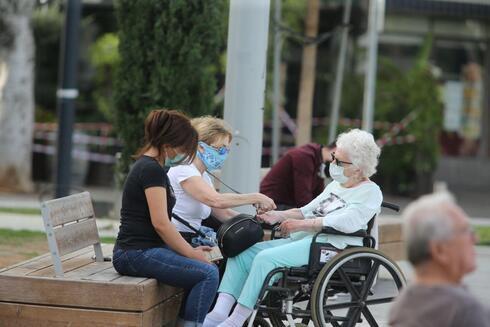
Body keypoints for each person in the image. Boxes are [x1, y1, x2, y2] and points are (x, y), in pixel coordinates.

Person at [203, 129, 383, 327]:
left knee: (266, 259)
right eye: (333, 157)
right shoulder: (336, 185)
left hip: (334, 247)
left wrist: (302, 225)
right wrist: (276, 216)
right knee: (243, 254)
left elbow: (346, 222)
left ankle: (235, 320)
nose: (332, 164)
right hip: (308, 240)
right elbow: (306, 210)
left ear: (358, 169)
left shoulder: (370, 192)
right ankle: (219, 313)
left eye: (339, 161)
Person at [112, 109, 219, 327]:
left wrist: (192, 252)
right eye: (184, 149)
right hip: (135, 253)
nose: (185, 155)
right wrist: (190, 253)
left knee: (206, 263)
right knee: (208, 274)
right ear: (168, 145)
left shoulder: (154, 167)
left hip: (144, 249)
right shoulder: (151, 170)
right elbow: (161, 223)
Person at [168, 116, 276, 243]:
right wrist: (256, 197)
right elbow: (216, 200)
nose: (224, 155)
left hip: (190, 239)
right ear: (200, 147)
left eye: (227, 150)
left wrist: (259, 219)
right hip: (176, 240)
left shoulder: (203, 176)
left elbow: (224, 214)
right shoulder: (184, 169)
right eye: (221, 149)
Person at [389, 193, 490, 327]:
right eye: (465, 231)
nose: (475, 238)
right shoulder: (465, 310)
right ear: (439, 250)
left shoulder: (403, 302)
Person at [260, 141, 336, 209]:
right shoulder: (305, 156)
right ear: (336, 150)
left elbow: (318, 196)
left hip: (285, 203)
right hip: (271, 203)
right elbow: (303, 199)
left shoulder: (319, 159)